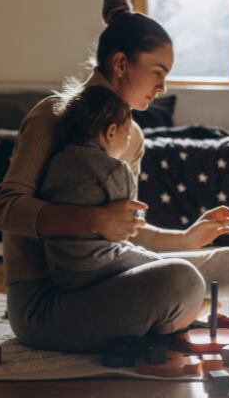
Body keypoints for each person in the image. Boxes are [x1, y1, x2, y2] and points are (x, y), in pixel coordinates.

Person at [0, 0, 229, 353]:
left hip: (105, 277)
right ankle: (171, 318)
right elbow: (5, 209)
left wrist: (186, 239)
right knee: (180, 282)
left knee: (224, 260)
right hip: (45, 304)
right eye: (157, 73)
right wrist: (94, 220)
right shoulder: (52, 115)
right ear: (120, 64)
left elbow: (124, 230)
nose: (162, 89)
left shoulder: (133, 136)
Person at [39, 85, 161, 291]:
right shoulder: (115, 169)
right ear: (111, 131)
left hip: (60, 269)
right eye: (128, 136)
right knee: (163, 266)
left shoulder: (58, 160)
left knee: (131, 253)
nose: (129, 141)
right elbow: (128, 224)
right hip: (98, 262)